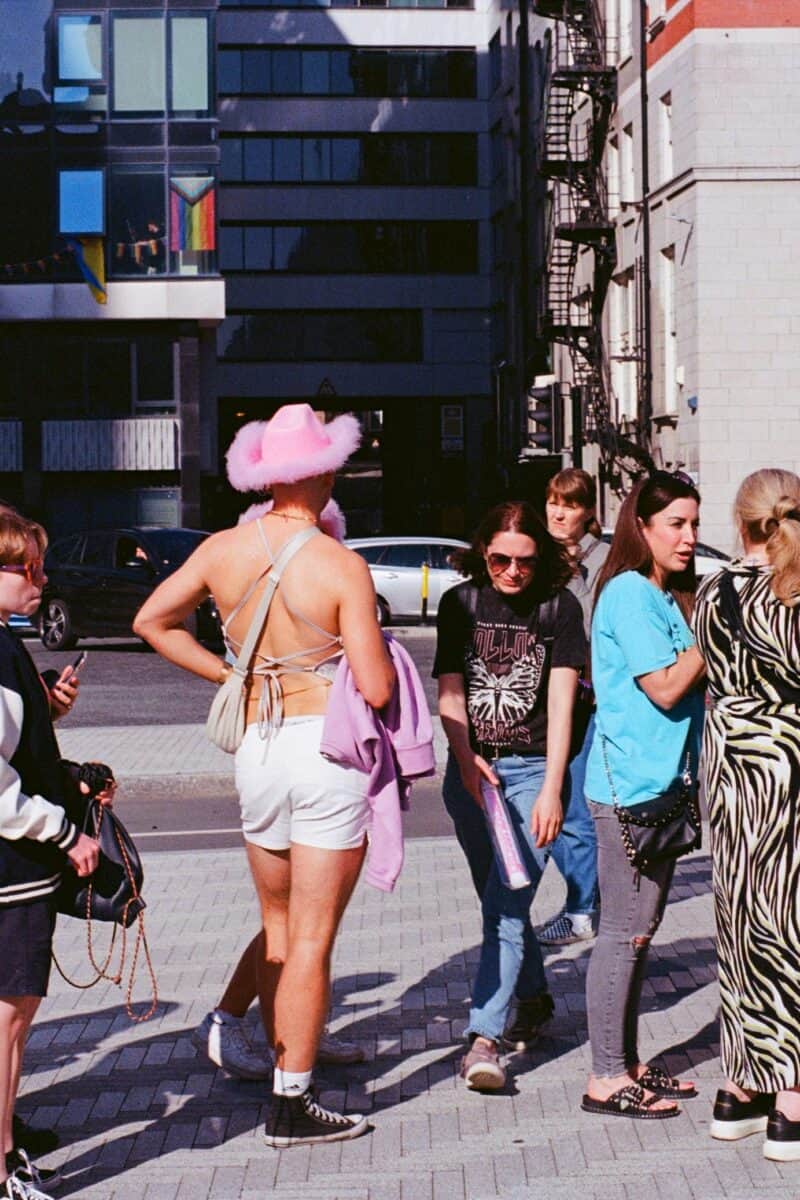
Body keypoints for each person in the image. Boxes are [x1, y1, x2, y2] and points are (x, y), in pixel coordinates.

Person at [134, 404, 396, 1148]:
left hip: (257, 742)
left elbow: (152, 621)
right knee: (314, 936)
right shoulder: (340, 563)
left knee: (280, 927)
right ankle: (291, 1103)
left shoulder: (222, 548)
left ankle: (289, 1061)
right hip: (324, 747)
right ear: (320, 470)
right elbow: (374, 689)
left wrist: (230, 672)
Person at [435, 501, 585, 1090]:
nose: (513, 572)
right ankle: (536, 998)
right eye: (501, 559)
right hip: (470, 773)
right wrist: (464, 755)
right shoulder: (460, 604)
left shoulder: (559, 607)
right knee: (499, 901)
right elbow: (450, 690)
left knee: (507, 902)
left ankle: (483, 1040)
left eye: (525, 561)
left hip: (530, 774)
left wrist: (553, 788)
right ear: (483, 552)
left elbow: (562, 704)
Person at [581, 472, 705, 1121]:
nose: (688, 537)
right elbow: (662, 687)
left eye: (693, 523)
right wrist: (711, 635)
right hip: (626, 791)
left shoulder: (661, 593)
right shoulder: (630, 593)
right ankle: (604, 1076)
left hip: (658, 788)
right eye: (675, 524)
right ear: (643, 527)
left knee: (641, 930)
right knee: (622, 933)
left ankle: (625, 1061)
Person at [0, 509, 107, 1200]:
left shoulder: (6, 647)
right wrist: (65, 831)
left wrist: (47, 715)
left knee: (12, 1011)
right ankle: (3, 1164)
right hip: (11, 861)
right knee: (10, 1011)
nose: (41, 580)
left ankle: (4, 1129)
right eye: (26, 568)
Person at [694, 468, 800, 1160]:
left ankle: (741, 1084)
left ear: (740, 523)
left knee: (738, 919)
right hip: (788, 764)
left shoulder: (713, 590)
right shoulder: (790, 594)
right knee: (788, 920)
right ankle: (792, 1095)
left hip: (728, 766)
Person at [538, 468, 609, 945]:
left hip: (586, 699)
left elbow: (593, 628)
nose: (559, 512)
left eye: (570, 504)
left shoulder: (604, 560)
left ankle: (584, 908)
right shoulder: (536, 556)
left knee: (575, 809)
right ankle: (591, 897)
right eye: (552, 501)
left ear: (589, 512)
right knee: (542, 806)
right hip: (539, 700)